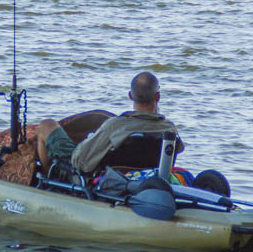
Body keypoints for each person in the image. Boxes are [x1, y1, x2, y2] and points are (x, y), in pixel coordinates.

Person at [36, 71, 178, 176]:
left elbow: (80, 161)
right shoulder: (170, 129)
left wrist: (84, 144)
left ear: (130, 96)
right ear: (158, 96)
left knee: (46, 125)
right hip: (144, 174)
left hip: (93, 174)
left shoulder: (115, 125)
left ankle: (49, 177)